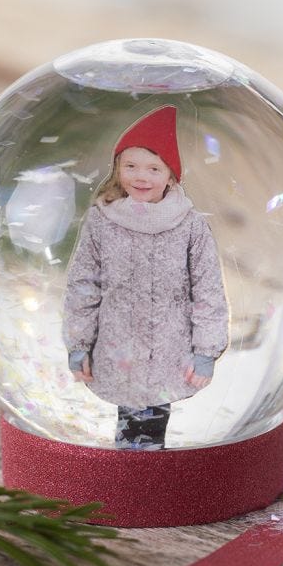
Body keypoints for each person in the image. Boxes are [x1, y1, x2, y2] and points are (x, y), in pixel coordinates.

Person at [62, 105, 229, 449]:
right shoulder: (103, 220)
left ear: (171, 175)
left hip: (170, 345)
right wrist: (79, 343)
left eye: (154, 168)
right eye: (131, 166)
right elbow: (83, 285)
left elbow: (208, 290)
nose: (141, 176)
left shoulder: (190, 226)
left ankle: (148, 479)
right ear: (117, 169)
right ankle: (129, 478)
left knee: (153, 422)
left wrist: (206, 350)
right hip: (117, 342)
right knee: (128, 425)